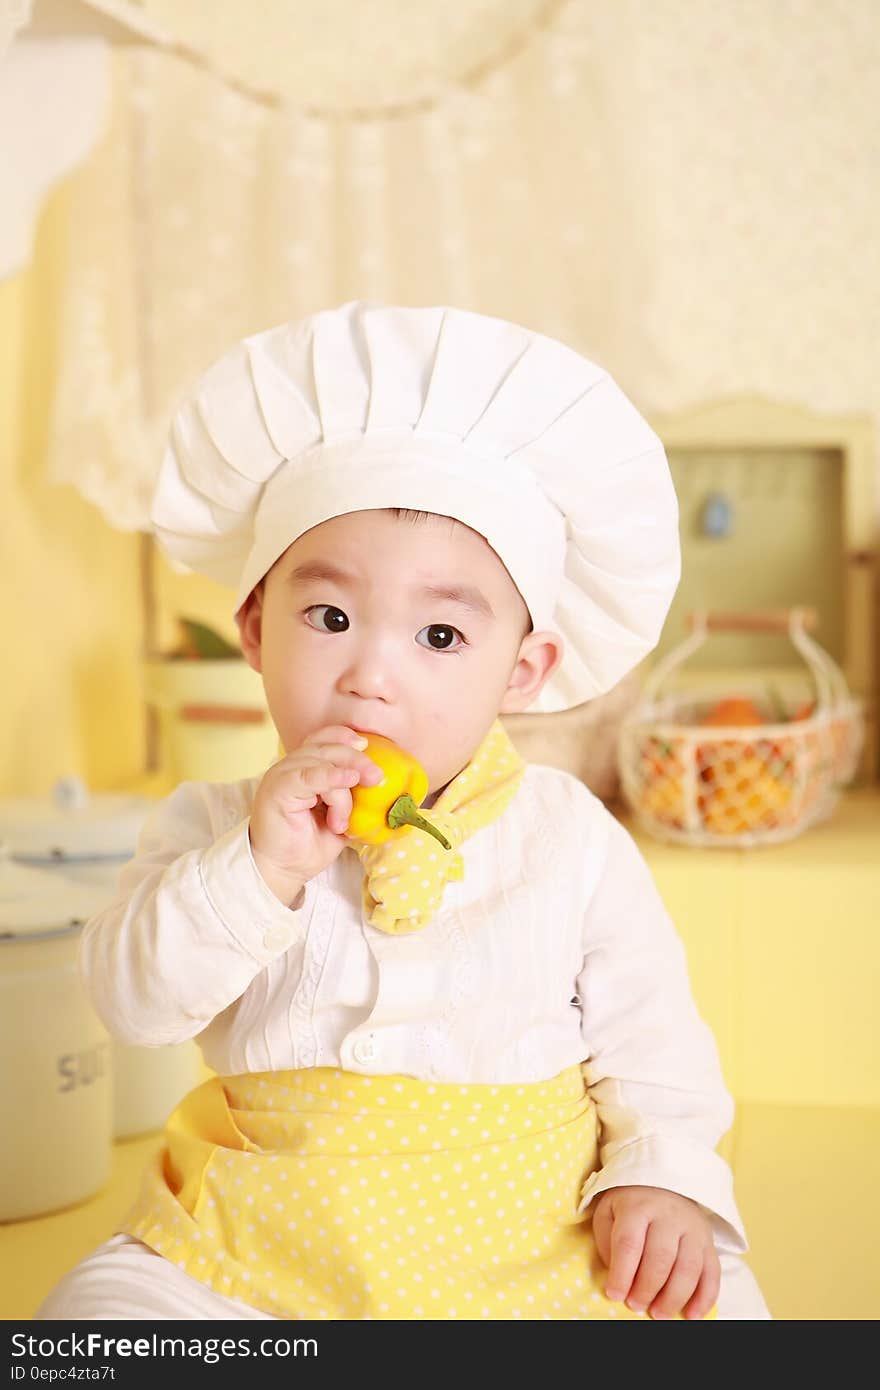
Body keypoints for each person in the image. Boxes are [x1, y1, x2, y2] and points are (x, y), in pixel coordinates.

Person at [37, 302, 771, 1321]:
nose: (370, 676)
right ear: (254, 628)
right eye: (328, 617)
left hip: (534, 1238)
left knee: (723, 1310)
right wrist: (256, 868)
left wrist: (661, 1176)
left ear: (523, 669)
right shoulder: (211, 825)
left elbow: (654, 1034)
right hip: (254, 1239)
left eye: (438, 636)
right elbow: (133, 1003)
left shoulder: (568, 836)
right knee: (89, 1324)